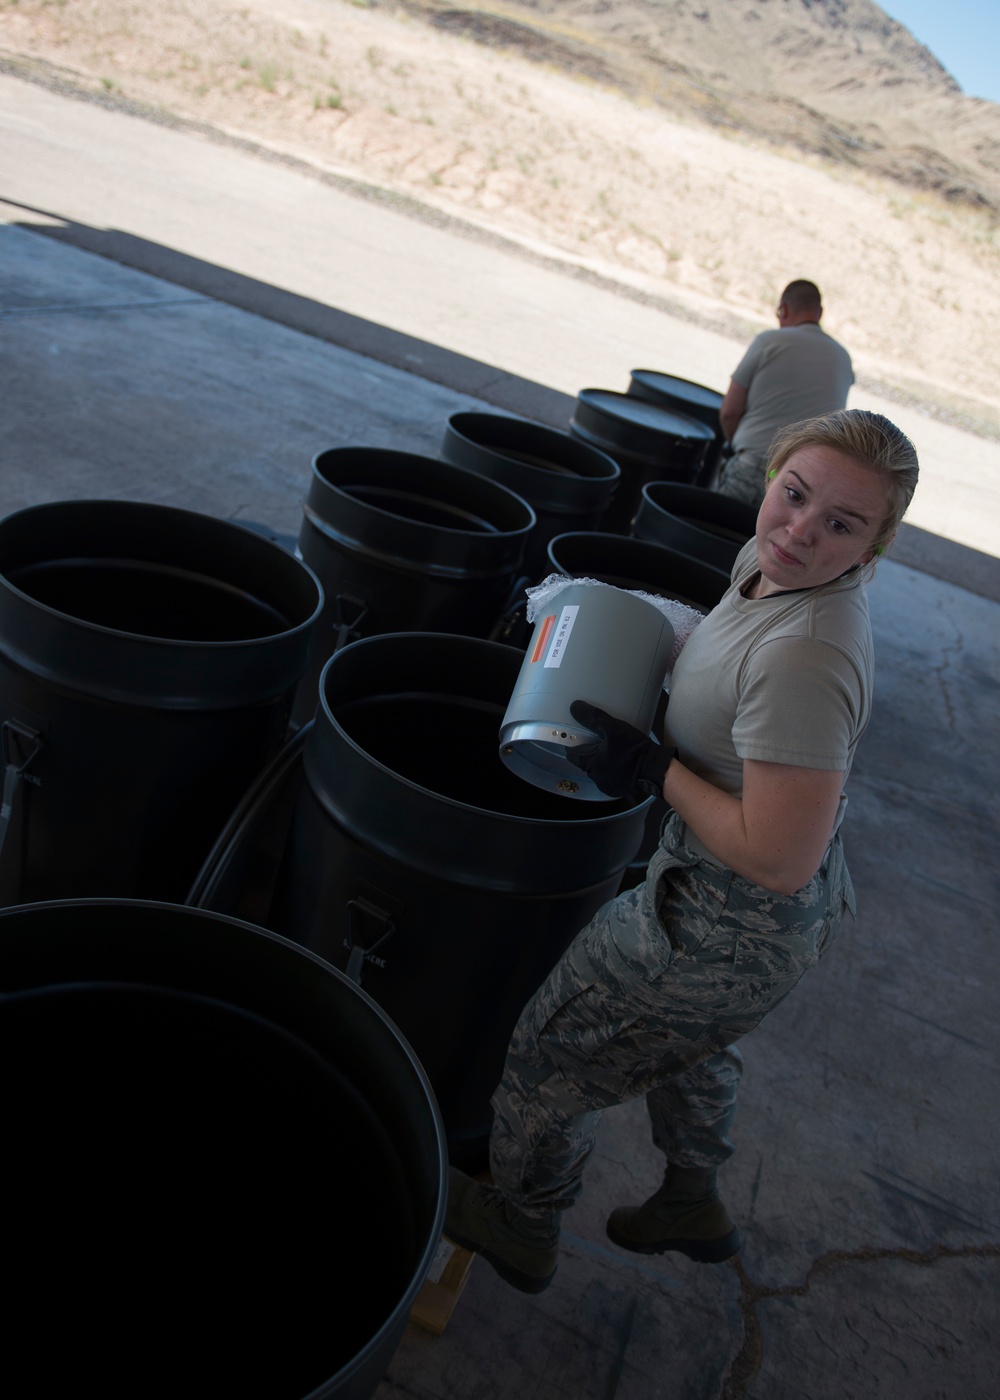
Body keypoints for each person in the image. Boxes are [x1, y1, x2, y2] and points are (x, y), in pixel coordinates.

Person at [446, 409, 918, 1295]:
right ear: (772, 478)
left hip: (727, 913)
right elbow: (723, 654)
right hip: (753, 914)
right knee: (690, 1042)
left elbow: (778, 858)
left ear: (873, 549)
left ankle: (523, 1224)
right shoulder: (772, 567)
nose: (801, 529)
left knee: (553, 1050)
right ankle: (691, 1197)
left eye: (842, 524)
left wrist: (653, 767)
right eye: (795, 493)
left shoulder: (808, 662)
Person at [717, 280, 854, 508]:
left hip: (751, 465)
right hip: (801, 482)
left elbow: (729, 412)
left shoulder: (769, 341)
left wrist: (736, 446)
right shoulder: (842, 358)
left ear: (784, 310)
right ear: (820, 313)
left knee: (720, 537)